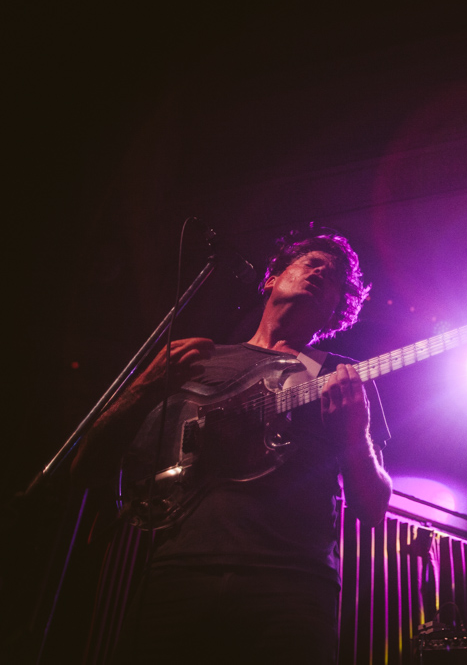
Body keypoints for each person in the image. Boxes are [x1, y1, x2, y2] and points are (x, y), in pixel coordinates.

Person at [71, 230, 392, 664]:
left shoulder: (340, 376)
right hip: (180, 574)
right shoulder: (195, 360)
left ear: (338, 309)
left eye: (333, 277)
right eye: (310, 263)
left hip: (293, 588)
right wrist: (144, 387)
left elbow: (372, 509)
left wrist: (357, 434)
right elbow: (86, 465)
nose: (319, 272)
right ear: (270, 279)